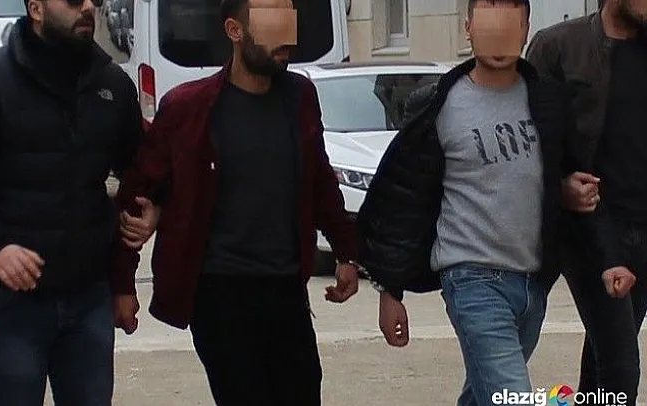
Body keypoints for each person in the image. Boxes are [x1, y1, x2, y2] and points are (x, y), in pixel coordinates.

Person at [109, 0, 361, 404]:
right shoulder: (189, 108)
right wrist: (124, 284)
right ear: (234, 30)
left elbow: (319, 181)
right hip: (221, 293)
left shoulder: (300, 97)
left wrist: (346, 251)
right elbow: (139, 193)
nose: (286, 39)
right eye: (271, 24)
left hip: (286, 291)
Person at [357, 0, 582, 404]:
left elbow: (562, 175)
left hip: (532, 280)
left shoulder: (546, 101)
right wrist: (390, 290)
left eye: (509, 26)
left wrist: (568, 192)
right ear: (468, 29)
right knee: (510, 396)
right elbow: (403, 200)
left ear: (525, 30)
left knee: (484, 394)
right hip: (471, 279)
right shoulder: (437, 107)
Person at [0, 0, 144, 402]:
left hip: (88, 297)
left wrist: (125, 275)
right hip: (9, 304)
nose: (88, 7)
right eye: (73, 0)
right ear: (36, 9)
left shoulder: (112, 86)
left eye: (93, 0)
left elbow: (139, 172)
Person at [526, 0, 644, 404]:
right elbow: (527, 136)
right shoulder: (558, 46)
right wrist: (558, 185)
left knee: (603, 359)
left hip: (642, 229)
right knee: (621, 367)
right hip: (590, 229)